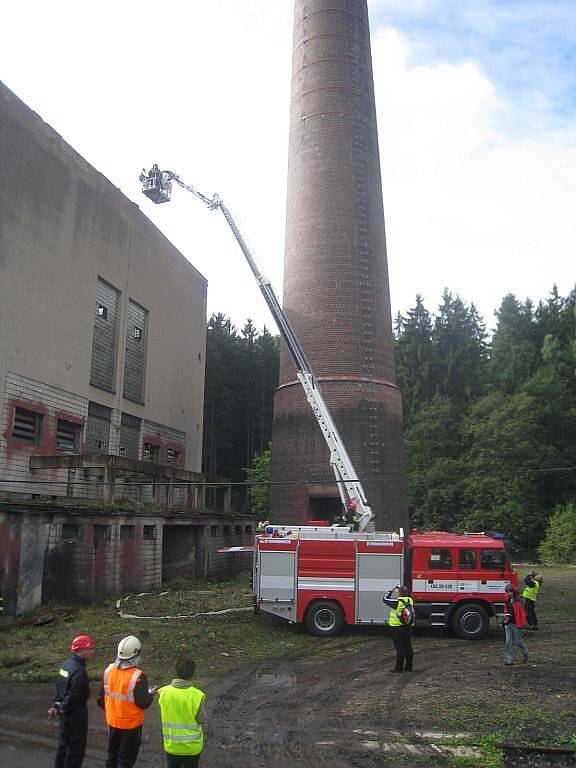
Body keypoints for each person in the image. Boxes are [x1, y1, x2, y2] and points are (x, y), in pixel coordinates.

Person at [98, 635, 156, 768]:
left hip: (112, 723)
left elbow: (101, 699)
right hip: (131, 727)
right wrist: (151, 695)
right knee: (126, 761)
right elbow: (144, 703)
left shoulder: (108, 671)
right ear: (136, 653)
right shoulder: (138, 676)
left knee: (112, 757)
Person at [49, 634, 95, 768]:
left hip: (65, 716)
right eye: (90, 649)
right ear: (81, 651)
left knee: (63, 747)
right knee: (75, 752)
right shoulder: (80, 672)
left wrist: (57, 706)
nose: (93, 651)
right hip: (76, 717)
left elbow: (59, 686)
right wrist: (63, 707)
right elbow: (74, 697)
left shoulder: (66, 664)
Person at [157, 655, 207, 767]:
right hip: (192, 748)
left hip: (172, 746)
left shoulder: (164, 692)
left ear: (176, 671)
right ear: (192, 673)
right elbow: (201, 719)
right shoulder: (197, 695)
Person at [383, 585, 415, 673]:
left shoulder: (397, 603)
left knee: (400, 648)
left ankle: (399, 668)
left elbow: (385, 599)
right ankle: (409, 667)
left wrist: (391, 590)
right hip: (407, 627)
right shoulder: (410, 600)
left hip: (396, 628)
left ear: (400, 593)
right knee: (408, 646)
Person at [503, 584, 529, 665]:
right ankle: (509, 659)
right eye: (507, 592)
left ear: (513, 592)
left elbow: (522, 613)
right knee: (508, 642)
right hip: (508, 623)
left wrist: (522, 623)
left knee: (518, 641)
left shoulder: (518, 601)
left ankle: (525, 652)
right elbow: (506, 610)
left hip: (516, 624)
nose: (508, 593)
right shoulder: (507, 600)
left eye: (510, 591)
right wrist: (506, 616)